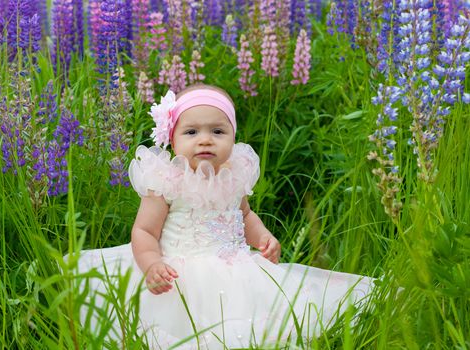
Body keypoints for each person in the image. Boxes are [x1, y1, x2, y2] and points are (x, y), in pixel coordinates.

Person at [73, 84, 374, 349]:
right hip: (179, 272)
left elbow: (245, 215)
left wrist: (264, 238)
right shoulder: (167, 180)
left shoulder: (235, 174)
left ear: (233, 136)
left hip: (238, 268)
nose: (205, 140)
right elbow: (144, 232)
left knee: (268, 317)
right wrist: (152, 265)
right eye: (191, 132)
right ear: (173, 139)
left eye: (218, 131)